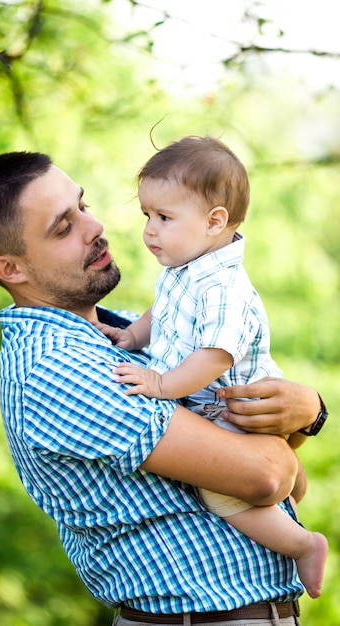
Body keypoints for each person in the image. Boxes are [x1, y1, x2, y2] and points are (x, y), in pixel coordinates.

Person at [0, 150, 329, 626]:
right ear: (11, 270)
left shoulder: (133, 332)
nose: (94, 226)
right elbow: (266, 477)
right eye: (63, 227)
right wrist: (291, 430)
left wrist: (307, 414)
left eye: (83, 206)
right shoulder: (55, 371)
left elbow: (282, 466)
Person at [94, 136, 328, 599]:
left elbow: (216, 354)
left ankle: (303, 544)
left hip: (234, 407)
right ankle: (293, 483)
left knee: (220, 496)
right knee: (280, 474)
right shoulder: (185, 270)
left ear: (214, 221)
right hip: (226, 404)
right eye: (147, 217)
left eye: (163, 217)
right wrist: (132, 337)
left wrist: (161, 383)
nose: (150, 231)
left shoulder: (222, 286)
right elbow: (159, 312)